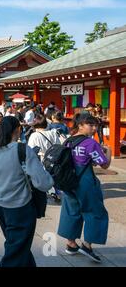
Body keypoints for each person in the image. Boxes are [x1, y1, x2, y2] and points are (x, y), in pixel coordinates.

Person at [0, 116, 54, 267]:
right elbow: (43, 183)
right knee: (16, 250)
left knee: (17, 245)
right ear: (18, 129)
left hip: (0, 204)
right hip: (20, 206)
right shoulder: (22, 149)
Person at [58, 113, 112, 263]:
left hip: (68, 182)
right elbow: (104, 164)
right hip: (85, 182)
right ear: (80, 125)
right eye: (91, 125)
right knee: (96, 212)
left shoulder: (68, 141)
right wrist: (109, 152)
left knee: (71, 211)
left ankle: (71, 243)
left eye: (95, 125)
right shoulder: (90, 143)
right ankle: (87, 245)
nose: (94, 128)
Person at [27, 114, 62, 203]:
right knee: (52, 176)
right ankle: (56, 192)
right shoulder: (53, 133)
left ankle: (47, 193)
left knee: (42, 178)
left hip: (41, 159)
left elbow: (31, 150)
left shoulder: (34, 135)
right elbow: (58, 146)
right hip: (53, 159)